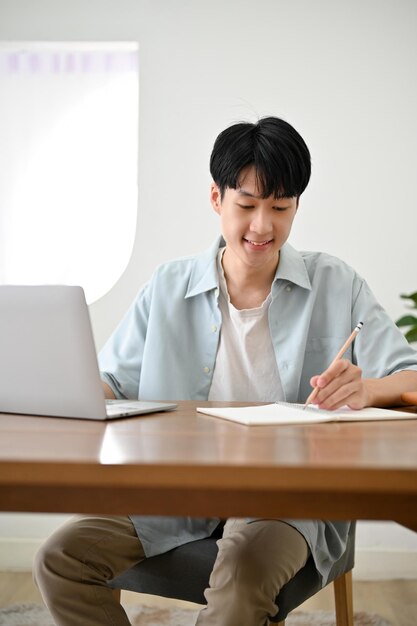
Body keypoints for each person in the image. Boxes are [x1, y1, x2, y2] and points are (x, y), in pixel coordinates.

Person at [33, 116, 417, 626]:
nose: (263, 226)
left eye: (280, 208)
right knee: (60, 559)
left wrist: (367, 388)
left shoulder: (336, 283)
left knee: (240, 573)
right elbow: (112, 384)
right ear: (216, 198)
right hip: (173, 491)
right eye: (247, 205)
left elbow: (411, 376)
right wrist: (63, 391)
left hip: (285, 500)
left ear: (297, 206)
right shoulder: (168, 286)